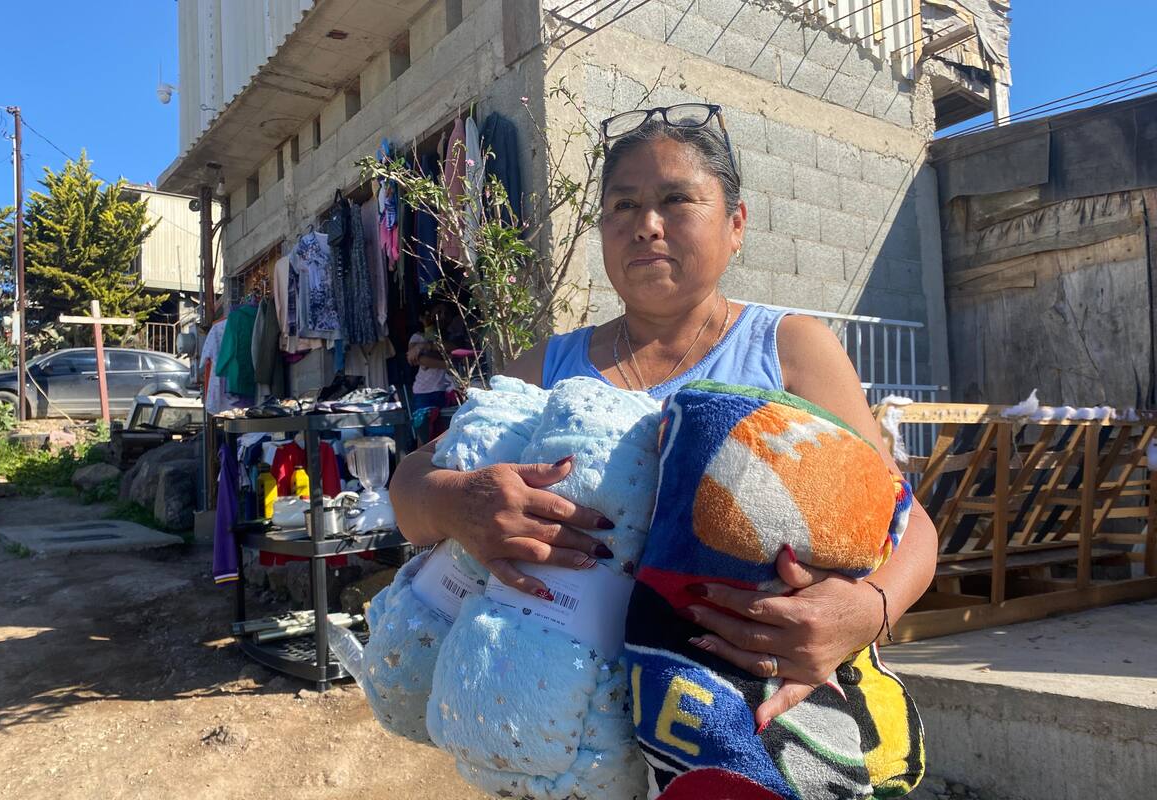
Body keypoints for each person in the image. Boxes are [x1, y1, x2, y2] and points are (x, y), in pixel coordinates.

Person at [389, 103, 938, 729]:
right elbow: (410, 492)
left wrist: (867, 610)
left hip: (739, 728)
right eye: (623, 206)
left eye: (676, 199)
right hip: (565, 737)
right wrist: (462, 501)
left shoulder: (788, 351)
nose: (646, 225)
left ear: (736, 225)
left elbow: (907, 521)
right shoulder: (547, 366)